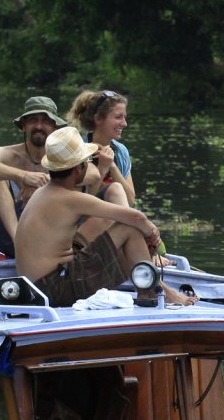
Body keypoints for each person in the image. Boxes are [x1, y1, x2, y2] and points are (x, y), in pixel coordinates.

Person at [13, 127, 189, 307]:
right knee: (128, 227)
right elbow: (137, 218)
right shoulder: (70, 198)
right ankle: (155, 290)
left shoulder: (42, 192)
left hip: (32, 288)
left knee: (105, 220)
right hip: (55, 289)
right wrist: (153, 235)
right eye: (87, 161)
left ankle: (148, 283)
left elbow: (118, 216)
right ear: (78, 169)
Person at [0, 96, 69, 257]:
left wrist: (44, 185)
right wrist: (25, 176)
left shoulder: (64, 157)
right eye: (33, 120)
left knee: (80, 181)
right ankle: (20, 242)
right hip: (13, 243)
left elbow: (92, 174)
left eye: (45, 121)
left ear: (55, 127)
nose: (39, 126)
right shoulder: (8, 153)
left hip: (53, 239)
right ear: (24, 125)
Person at [66, 89, 137, 204]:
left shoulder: (120, 151)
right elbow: (81, 202)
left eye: (124, 117)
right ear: (98, 119)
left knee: (116, 189)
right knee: (115, 189)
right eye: (118, 117)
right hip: (83, 216)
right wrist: (102, 169)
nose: (124, 124)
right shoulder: (77, 150)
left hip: (113, 216)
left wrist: (112, 166)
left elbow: (130, 200)